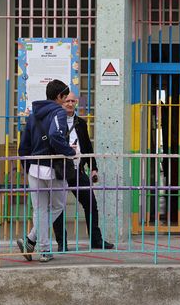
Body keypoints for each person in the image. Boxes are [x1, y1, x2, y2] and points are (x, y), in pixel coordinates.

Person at [16, 79, 78, 262]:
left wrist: (27, 168)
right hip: (51, 167)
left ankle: (36, 245)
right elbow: (54, 136)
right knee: (58, 206)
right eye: (65, 97)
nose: (67, 101)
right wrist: (69, 152)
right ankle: (33, 240)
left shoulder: (33, 114)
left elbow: (23, 146)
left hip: (34, 168)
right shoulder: (58, 112)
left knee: (40, 209)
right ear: (59, 97)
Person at [52, 92, 114, 251]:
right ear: (61, 102)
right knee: (58, 207)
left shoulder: (81, 123)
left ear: (76, 102)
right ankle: (62, 243)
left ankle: (96, 240)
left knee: (91, 204)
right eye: (67, 101)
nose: (69, 104)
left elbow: (87, 146)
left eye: (72, 101)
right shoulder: (55, 120)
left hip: (77, 170)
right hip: (59, 170)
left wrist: (93, 168)